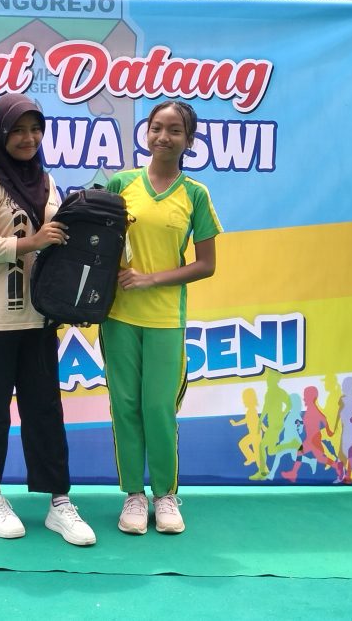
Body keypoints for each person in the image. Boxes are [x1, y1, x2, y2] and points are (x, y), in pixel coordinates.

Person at [0, 92, 97, 547]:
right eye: (17, 130)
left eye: (35, 129)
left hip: (39, 318)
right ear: (0, 133)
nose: (28, 138)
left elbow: (57, 239)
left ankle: (59, 503)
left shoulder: (46, 181)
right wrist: (29, 243)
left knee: (45, 412)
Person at [101, 100, 221, 535]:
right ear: (146, 133)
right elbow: (96, 240)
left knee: (158, 407)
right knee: (126, 406)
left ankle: (165, 495)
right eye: (156, 127)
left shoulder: (195, 194)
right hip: (117, 316)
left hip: (166, 318)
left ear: (189, 140)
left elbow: (206, 265)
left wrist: (150, 279)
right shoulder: (121, 184)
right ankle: (134, 495)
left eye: (174, 130)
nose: (163, 137)